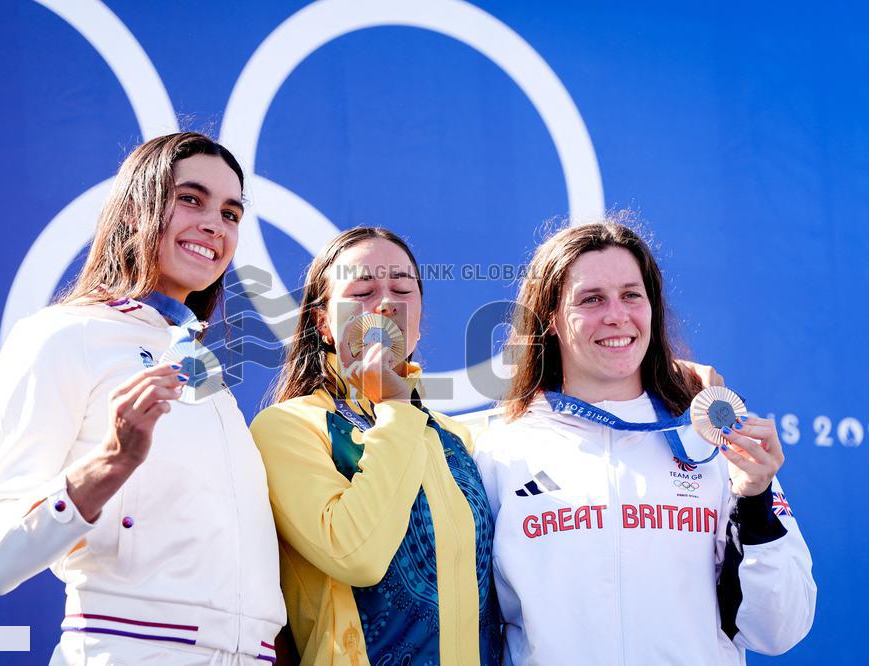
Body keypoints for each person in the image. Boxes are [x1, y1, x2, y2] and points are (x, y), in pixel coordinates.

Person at [0, 132, 285, 665]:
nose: (214, 224)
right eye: (190, 198)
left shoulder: (202, 365)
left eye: (231, 213)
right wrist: (112, 461)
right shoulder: (64, 336)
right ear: (136, 209)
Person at [474, 217, 816, 665]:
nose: (617, 315)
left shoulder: (713, 441)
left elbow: (781, 629)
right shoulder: (497, 448)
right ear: (551, 319)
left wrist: (755, 503)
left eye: (631, 295)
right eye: (591, 299)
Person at [249, 227, 500, 665]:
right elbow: (355, 556)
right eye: (363, 291)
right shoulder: (288, 426)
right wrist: (397, 407)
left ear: (419, 318)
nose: (385, 303)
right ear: (322, 322)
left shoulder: (457, 437)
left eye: (402, 288)